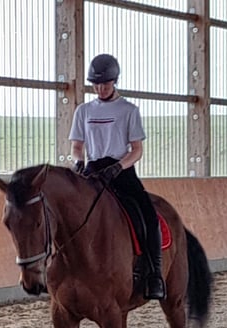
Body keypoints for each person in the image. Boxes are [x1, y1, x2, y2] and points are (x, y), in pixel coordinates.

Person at [68, 53, 166, 300]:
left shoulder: (128, 110)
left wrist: (118, 167)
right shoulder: (83, 111)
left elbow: (137, 149)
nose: (101, 89)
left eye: (106, 84)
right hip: (92, 170)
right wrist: (78, 161)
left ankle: (154, 273)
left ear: (115, 81)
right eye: (96, 85)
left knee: (147, 213)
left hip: (121, 170)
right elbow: (77, 145)